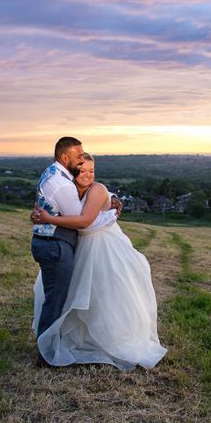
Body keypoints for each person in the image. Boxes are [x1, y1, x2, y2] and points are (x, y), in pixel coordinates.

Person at [32, 153, 167, 371]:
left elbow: (85, 223)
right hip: (81, 247)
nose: (87, 175)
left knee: (105, 295)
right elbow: (53, 205)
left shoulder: (97, 189)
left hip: (102, 245)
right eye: (82, 170)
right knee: (77, 295)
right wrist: (40, 214)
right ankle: (74, 339)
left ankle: (113, 341)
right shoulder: (68, 189)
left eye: (91, 171)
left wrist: (49, 219)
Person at [31, 137, 120, 367]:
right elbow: (84, 222)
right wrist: (110, 214)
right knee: (56, 299)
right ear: (65, 158)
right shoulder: (62, 183)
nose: (82, 161)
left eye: (89, 166)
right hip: (55, 245)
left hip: (56, 243)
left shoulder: (58, 175)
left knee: (59, 297)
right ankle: (46, 353)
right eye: (79, 158)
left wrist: (111, 199)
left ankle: (51, 344)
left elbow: (93, 196)